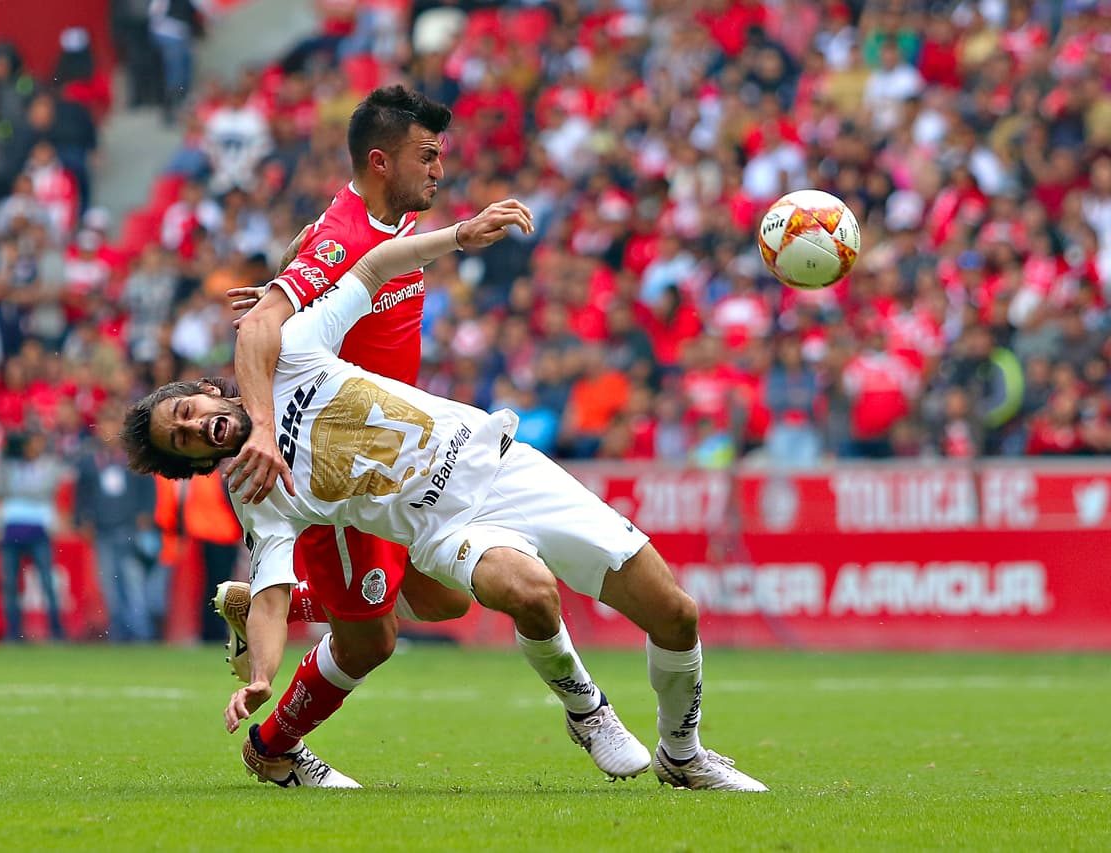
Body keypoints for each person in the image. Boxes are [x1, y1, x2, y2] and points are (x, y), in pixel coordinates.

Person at [122, 202, 768, 793]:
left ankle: (682, 752)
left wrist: (461, 234)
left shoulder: (288, 348)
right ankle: (587, 709)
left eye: (183, 410)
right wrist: (262, 674)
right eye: (181, 440)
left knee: (675, 612)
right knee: (529, 592)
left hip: (501, 462)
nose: (188, 425)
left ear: (205, 391)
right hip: (444, 525)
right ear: (200, 459)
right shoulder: (255, 489)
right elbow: (265, 590)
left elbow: (372, 264)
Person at [206, 86, 474, 782]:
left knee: (448, 596)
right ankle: (272, 747)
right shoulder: (345, 234)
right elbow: (269, 319)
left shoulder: (371, 222)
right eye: (428, 156)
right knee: (370, 642)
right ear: (382, 161)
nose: (439, 170)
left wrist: (279, 284)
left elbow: (305, 268)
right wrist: (264, 421)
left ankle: (280, 602)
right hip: (346, 454)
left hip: (396, 447)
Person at [74, 403, 161, 642]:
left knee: (132, 580)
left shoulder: (133, 457)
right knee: (109, 583)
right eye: (104, 426)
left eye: (112, 426)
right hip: (102, 529)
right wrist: (82, 519)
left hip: (129, 527)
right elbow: (82, 494)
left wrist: (146, 513)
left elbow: (148, 487)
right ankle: (119, 631)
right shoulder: (90, 461)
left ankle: (141, 631)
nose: (108, 431)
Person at [0, 429, 66, 642]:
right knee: (10, 584)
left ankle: (56, 631)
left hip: (37, 530)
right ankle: (13, 632)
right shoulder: (9, 464)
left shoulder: (49, 465)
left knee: (47, 582)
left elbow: (46, 489)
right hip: (12, 529)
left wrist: (20, 491)